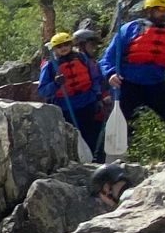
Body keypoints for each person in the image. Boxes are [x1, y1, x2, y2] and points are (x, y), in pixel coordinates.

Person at [101, 0, 165, 155]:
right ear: (149, 9)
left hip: (155, 84)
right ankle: (107, 159)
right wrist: (110, 74)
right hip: (128, 84)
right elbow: (108, 58)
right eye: (159, 9)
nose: (162, 14)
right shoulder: (130, 28)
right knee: (119, 123)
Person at [37, 31, 111, 161]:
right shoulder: (50, 66)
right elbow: (43, 90)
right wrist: (55, 84)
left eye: (66, 44)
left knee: (92, 133)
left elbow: (95, 77)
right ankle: (78, 160)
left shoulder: (82, 58)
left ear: (71, 44)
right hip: (66, 107)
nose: (63, 48)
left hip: (87, 102)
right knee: (73, 136)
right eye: (59, 46)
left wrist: (97, 94)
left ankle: (94, 159)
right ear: (54, 49)